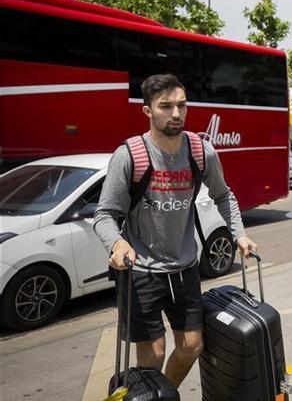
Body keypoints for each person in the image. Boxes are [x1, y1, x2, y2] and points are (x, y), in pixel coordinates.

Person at [94, 73, 257, 387]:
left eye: (181, 105)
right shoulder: (130, 155)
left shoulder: (200, 151)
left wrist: (239, 234)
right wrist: (116, 244)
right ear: (148, 111)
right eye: (166, 106)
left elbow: (223, 195)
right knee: (153, 353)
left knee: (191, 346)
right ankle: (156, 393)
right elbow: (104, 215)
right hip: (141, 271)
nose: (176, 113)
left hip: (185, 269)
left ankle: (162, 394)